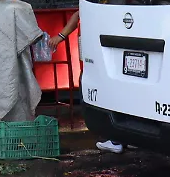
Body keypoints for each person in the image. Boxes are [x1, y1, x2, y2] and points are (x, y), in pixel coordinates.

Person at [49, 11, 128, 155]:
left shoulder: (98, 0)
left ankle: (116, 139)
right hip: (115, 50)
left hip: (101, 54)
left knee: (106, 94)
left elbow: (77, 14)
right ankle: (121, 138)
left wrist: (61, 36)